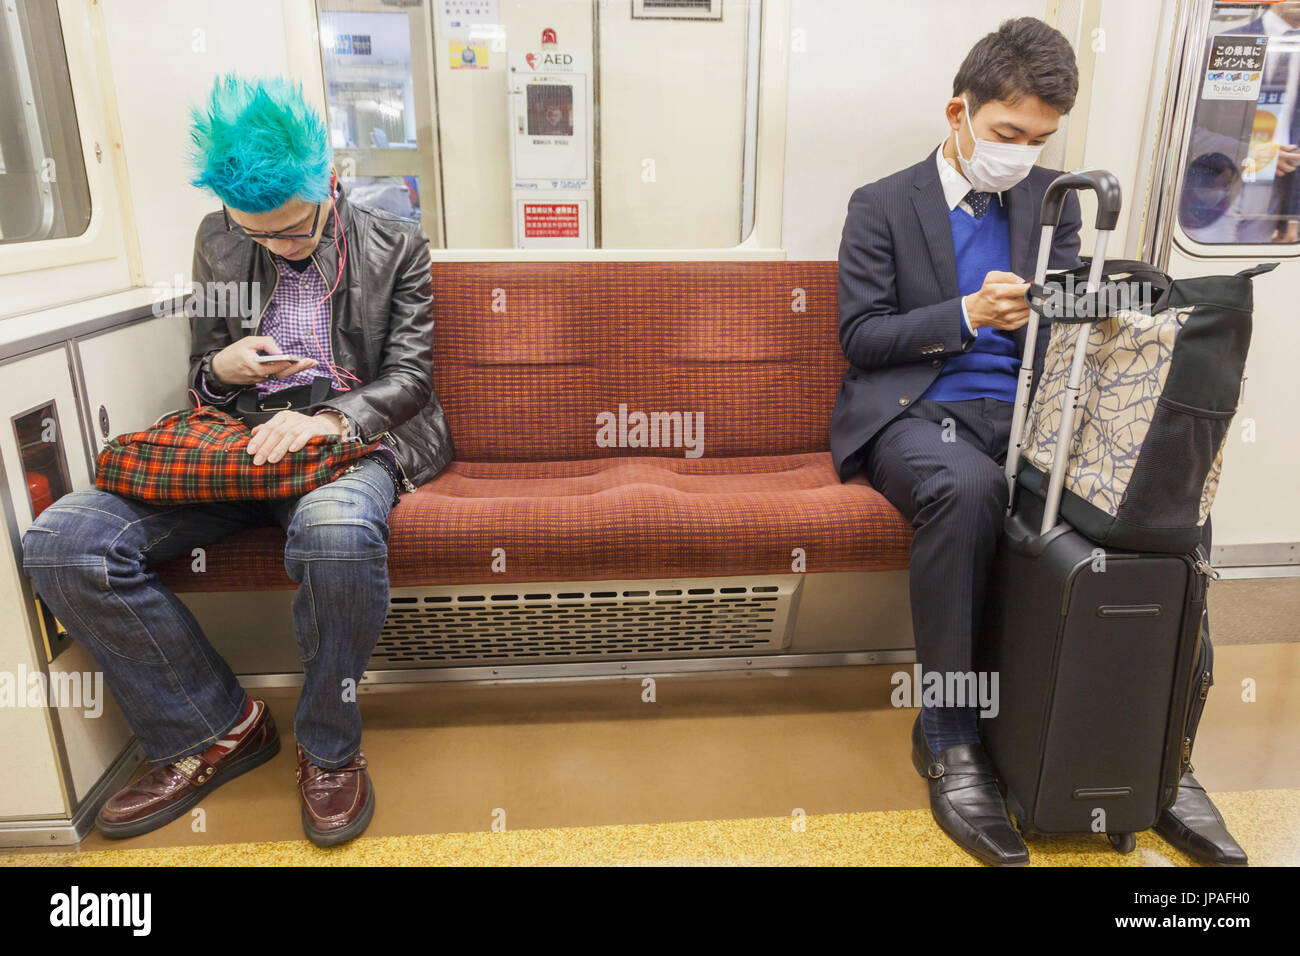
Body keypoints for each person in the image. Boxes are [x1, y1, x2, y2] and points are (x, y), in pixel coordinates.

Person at [830, 18, 1246, 865]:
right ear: (959, 112)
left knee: (1166, 495)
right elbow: (863, 338)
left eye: (1039, 139)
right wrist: (966, 316)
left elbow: (1069, 318)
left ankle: (1167, 753)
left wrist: (1097, 306)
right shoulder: (880, 205)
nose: (1021, 154)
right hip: (917, 414)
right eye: (1006, 134)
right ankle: (948, 730)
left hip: (1032, 412)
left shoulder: (1052, 201)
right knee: (968, 488)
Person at [20, 74, 452, 847]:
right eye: (257, 234)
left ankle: (329, 750)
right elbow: (202, 368)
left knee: (336, 536)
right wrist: (225, 373)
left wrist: (324, 419)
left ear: (330, 183)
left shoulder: (398, 246)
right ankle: (216, 729)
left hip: (348, 441)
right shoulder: (218, 238)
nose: (275, 247)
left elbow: (411, 379)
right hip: (239, 442)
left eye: (292, 231)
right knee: (63, 544)